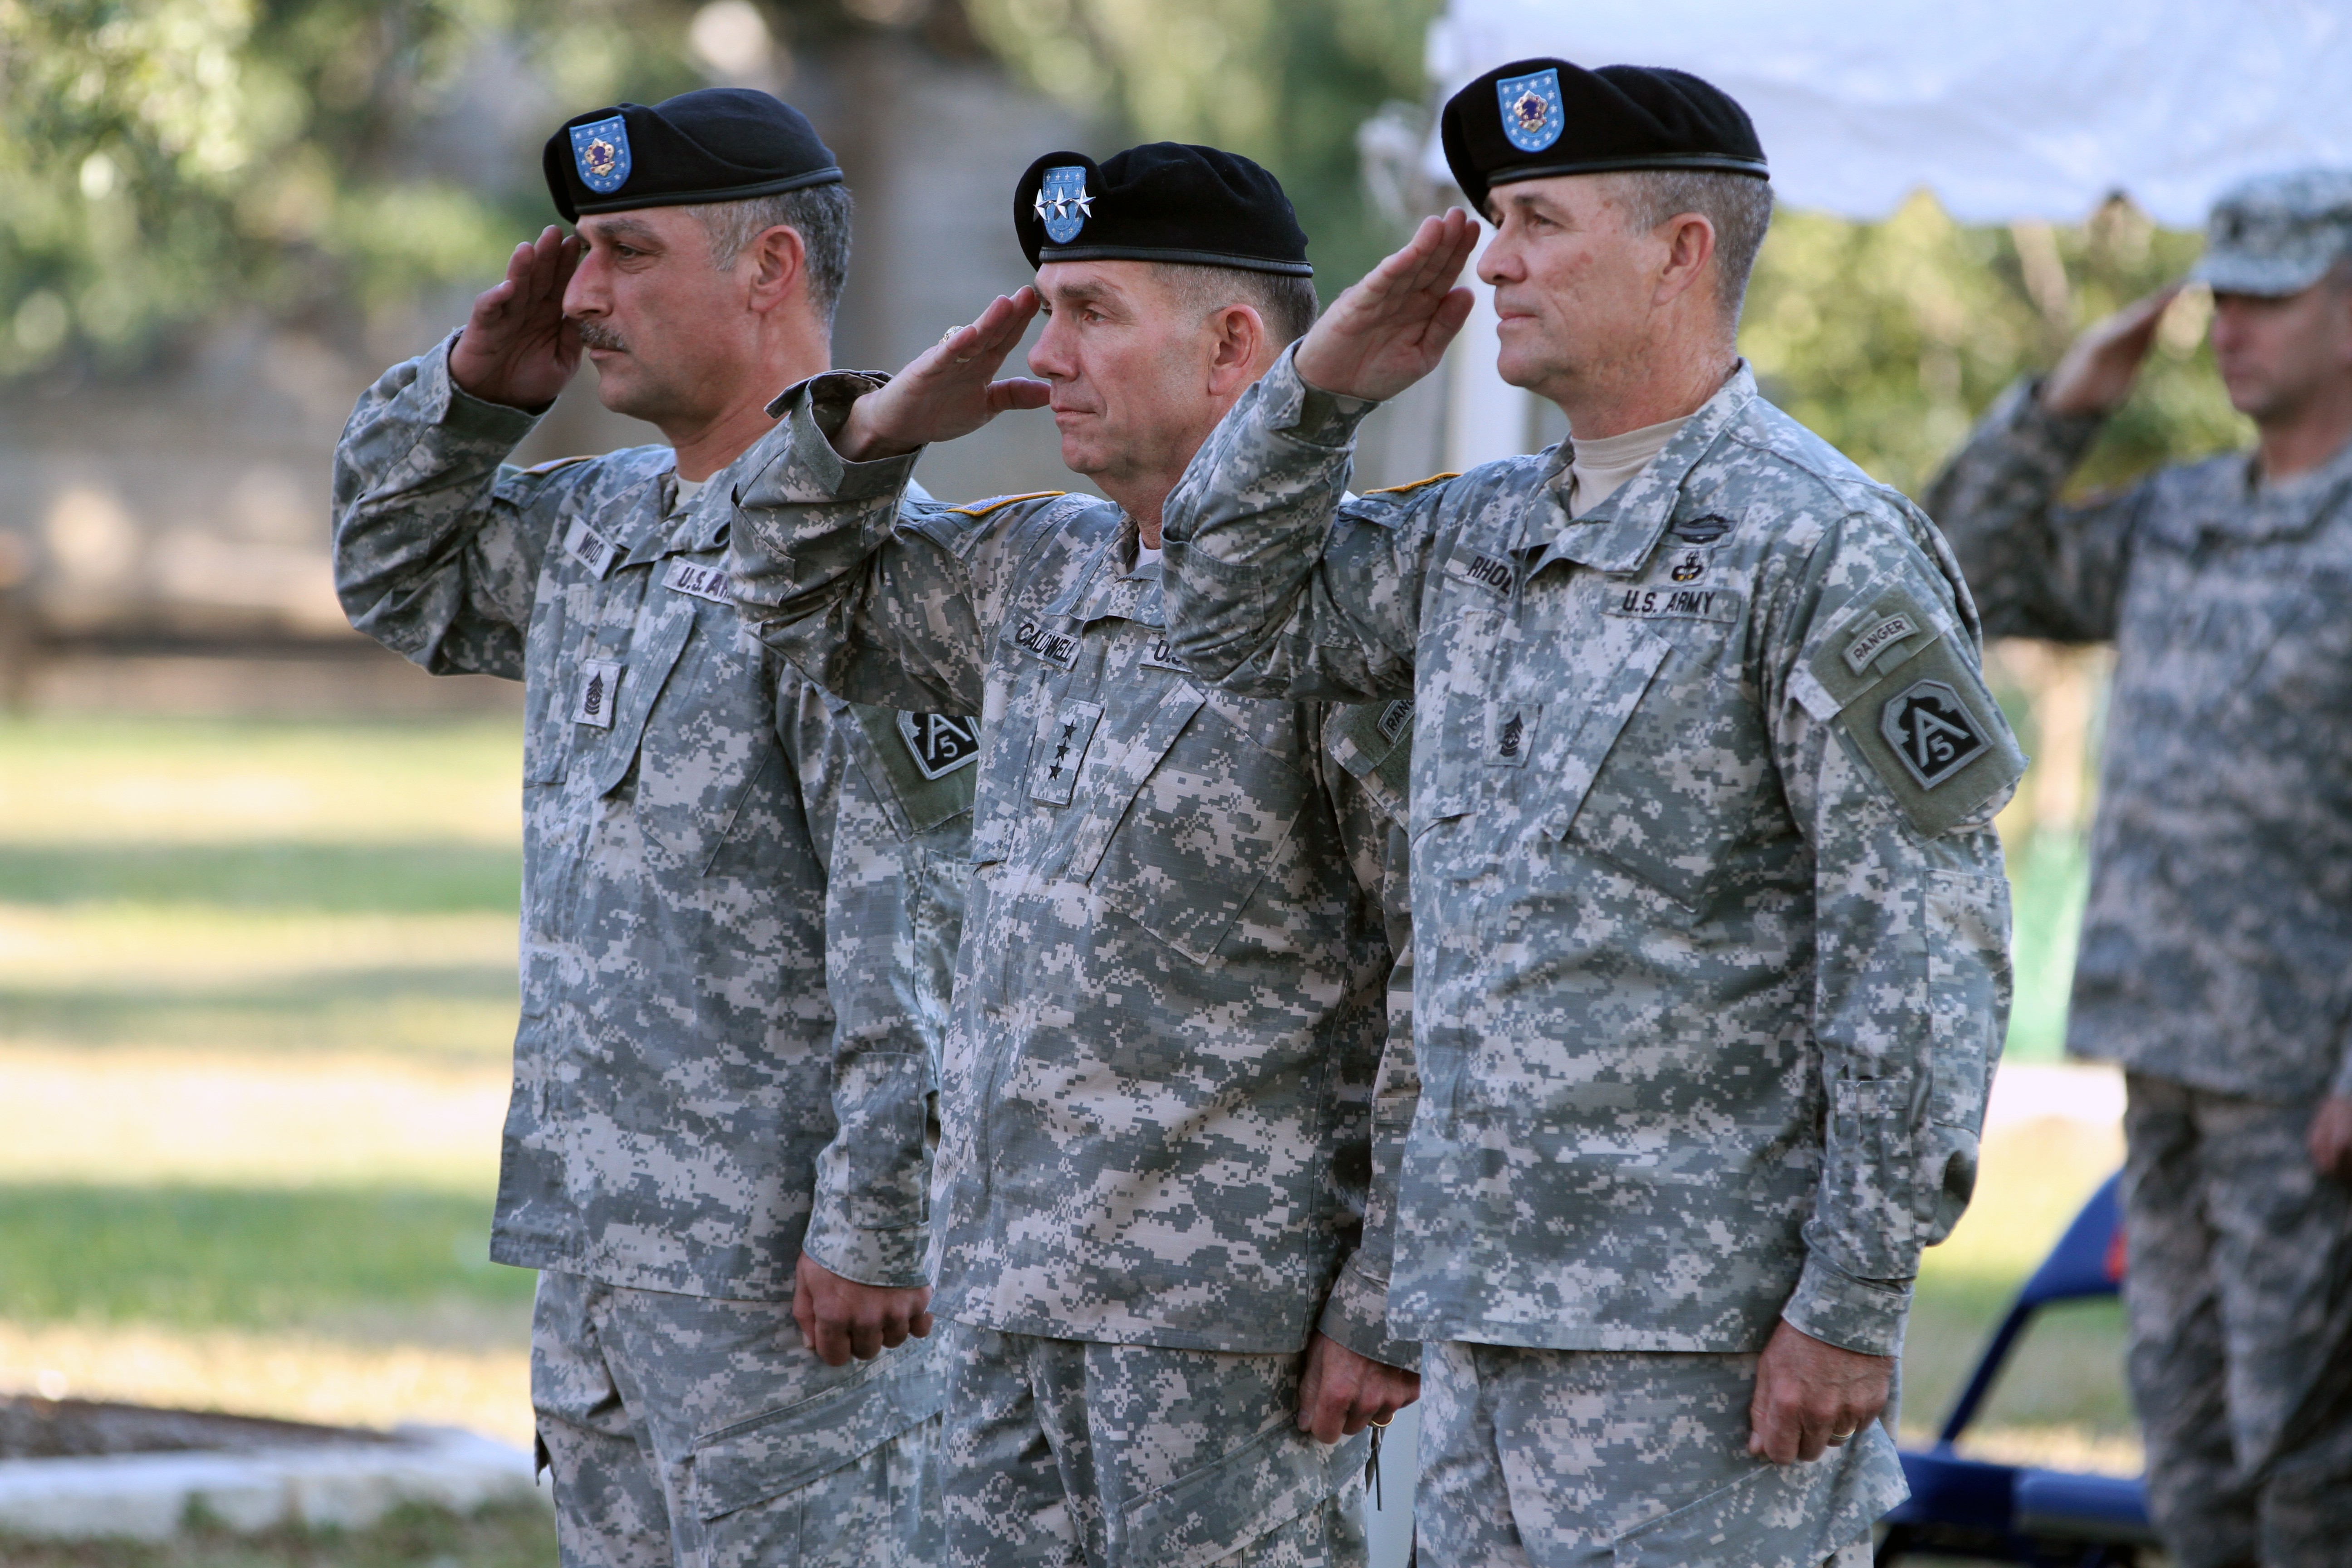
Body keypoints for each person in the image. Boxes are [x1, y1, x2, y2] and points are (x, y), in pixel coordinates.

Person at [1159, 59, 2022, 1568]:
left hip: (1703, 1348)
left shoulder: (1821, 550)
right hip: (1485, 1317)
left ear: (1682, 253)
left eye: (1541, 221)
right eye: (1495, 220)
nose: (1492, 256)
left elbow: (1922, 959)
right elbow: (1218, 612)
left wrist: (1852, 1303)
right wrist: (1318, 393)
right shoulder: (1483, 536)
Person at [725, 142, 1421, 1567]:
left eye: (1092, 313)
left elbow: (1436, 972)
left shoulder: (1351, 605)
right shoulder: (1043, 565)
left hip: (1225, 1321)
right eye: (1044, 310)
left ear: (1235, 345)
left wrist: (1381, 1292)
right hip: (1003, 1284)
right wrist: (879, 430)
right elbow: (786, 593)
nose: (1047, 359)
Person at [332, 88, 974, 1568]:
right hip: (605, 1268)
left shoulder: (880, 561)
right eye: (579, 255)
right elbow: (394, 578)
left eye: (627, 252)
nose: (584, 293)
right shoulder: (605, 527)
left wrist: (876, 1224)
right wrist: (472, 393)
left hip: (788, 1298)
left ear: (769, 272)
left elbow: (922, 917)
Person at [1923, 168, 2352, 1568]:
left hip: (2304, 1070)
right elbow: (1963, 568)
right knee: (2190, 1441)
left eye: (2272, 298)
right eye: (2220, 296)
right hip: (2162, 1045)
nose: (2232, 326)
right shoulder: (2183, 515)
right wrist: (2067, 404)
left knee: (2311, 1449)